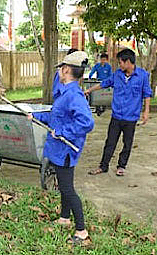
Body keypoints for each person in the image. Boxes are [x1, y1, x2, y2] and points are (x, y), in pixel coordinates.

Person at [28, 51, 94, 243]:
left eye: (60, 69)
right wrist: (36, 116)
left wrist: (63, 131)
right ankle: (65, 218)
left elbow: (87, 123)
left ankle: (81, 231)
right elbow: (55, 117)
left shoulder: (74, 95)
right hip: (58, 149)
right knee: (64, 186)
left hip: (65, 150)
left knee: (67, 188)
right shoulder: (66, 93)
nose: (59, 73)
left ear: (65, 70)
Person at [85, 48, 152, 176]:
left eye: (120, 62)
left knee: (127, 143)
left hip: (131, 117)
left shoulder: (142, 76)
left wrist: (146, 111)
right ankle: (103, 166)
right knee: (110, 142)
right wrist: (89, 90)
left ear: (128, 62)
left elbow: (147, 94)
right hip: (116, 116)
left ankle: (121, 166)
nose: (119, 65)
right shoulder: (117, 75)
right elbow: (104, 84)